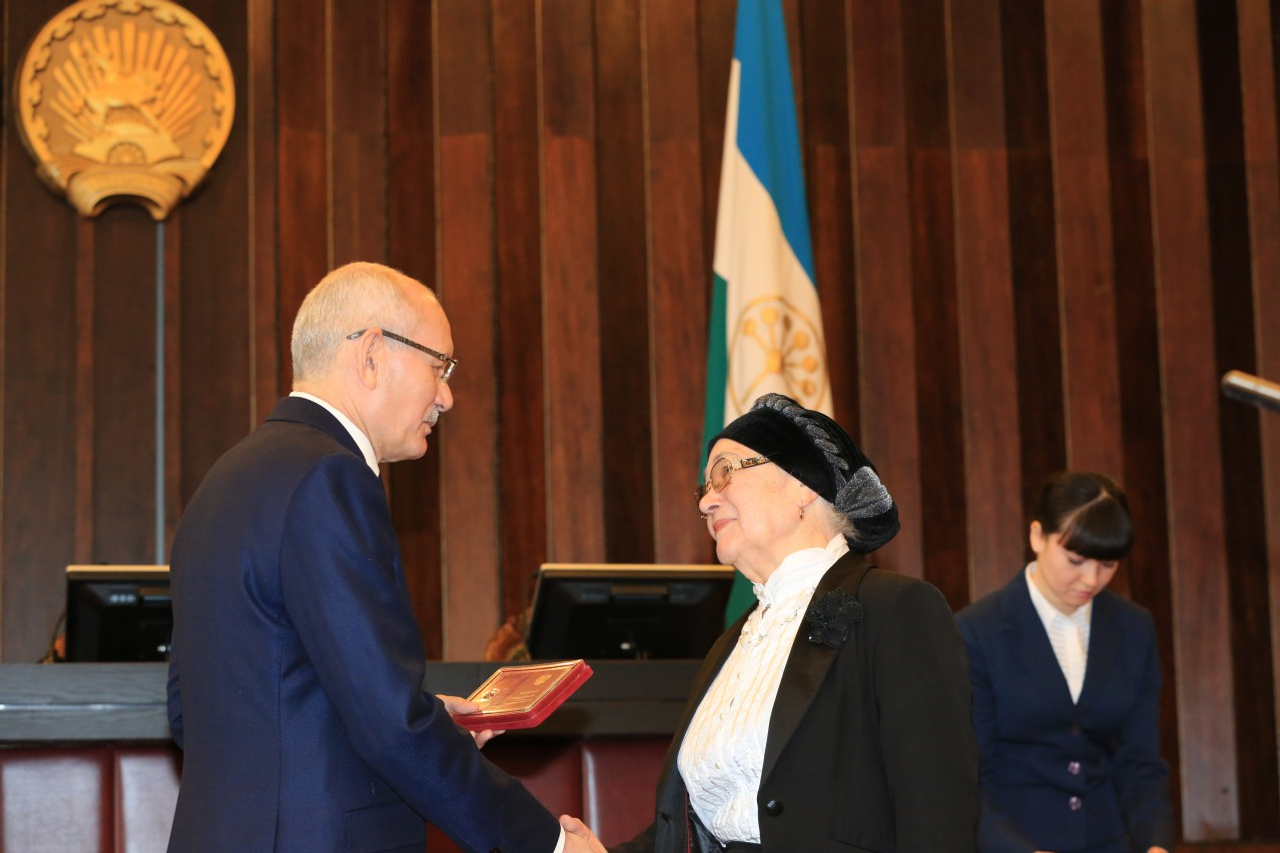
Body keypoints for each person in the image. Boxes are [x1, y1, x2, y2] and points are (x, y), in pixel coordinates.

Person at [166, 262, 605, 853]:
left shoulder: (223, 482)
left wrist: (422, 716)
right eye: (439, 366)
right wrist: (547, 844)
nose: (446, 397)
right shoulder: (330, 478)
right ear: (372, 353)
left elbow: (197, 713)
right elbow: (391, 728)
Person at [612, 393, 979, 853]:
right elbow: (699, 829)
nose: (707, 502)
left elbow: (938, 812)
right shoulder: (730, 644)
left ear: (803, 485)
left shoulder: (895, 608)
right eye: (704, 488)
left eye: (724, 473)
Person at [955, 471, 1174, 853]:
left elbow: (1140, 762)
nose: (1091, 579)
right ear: (1037, 536)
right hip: (1013, 841)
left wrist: (1155, 844)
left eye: (1108, 564)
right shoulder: (978, 631)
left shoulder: (1134, 628)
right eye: (1076, 560)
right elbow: (967, 775)